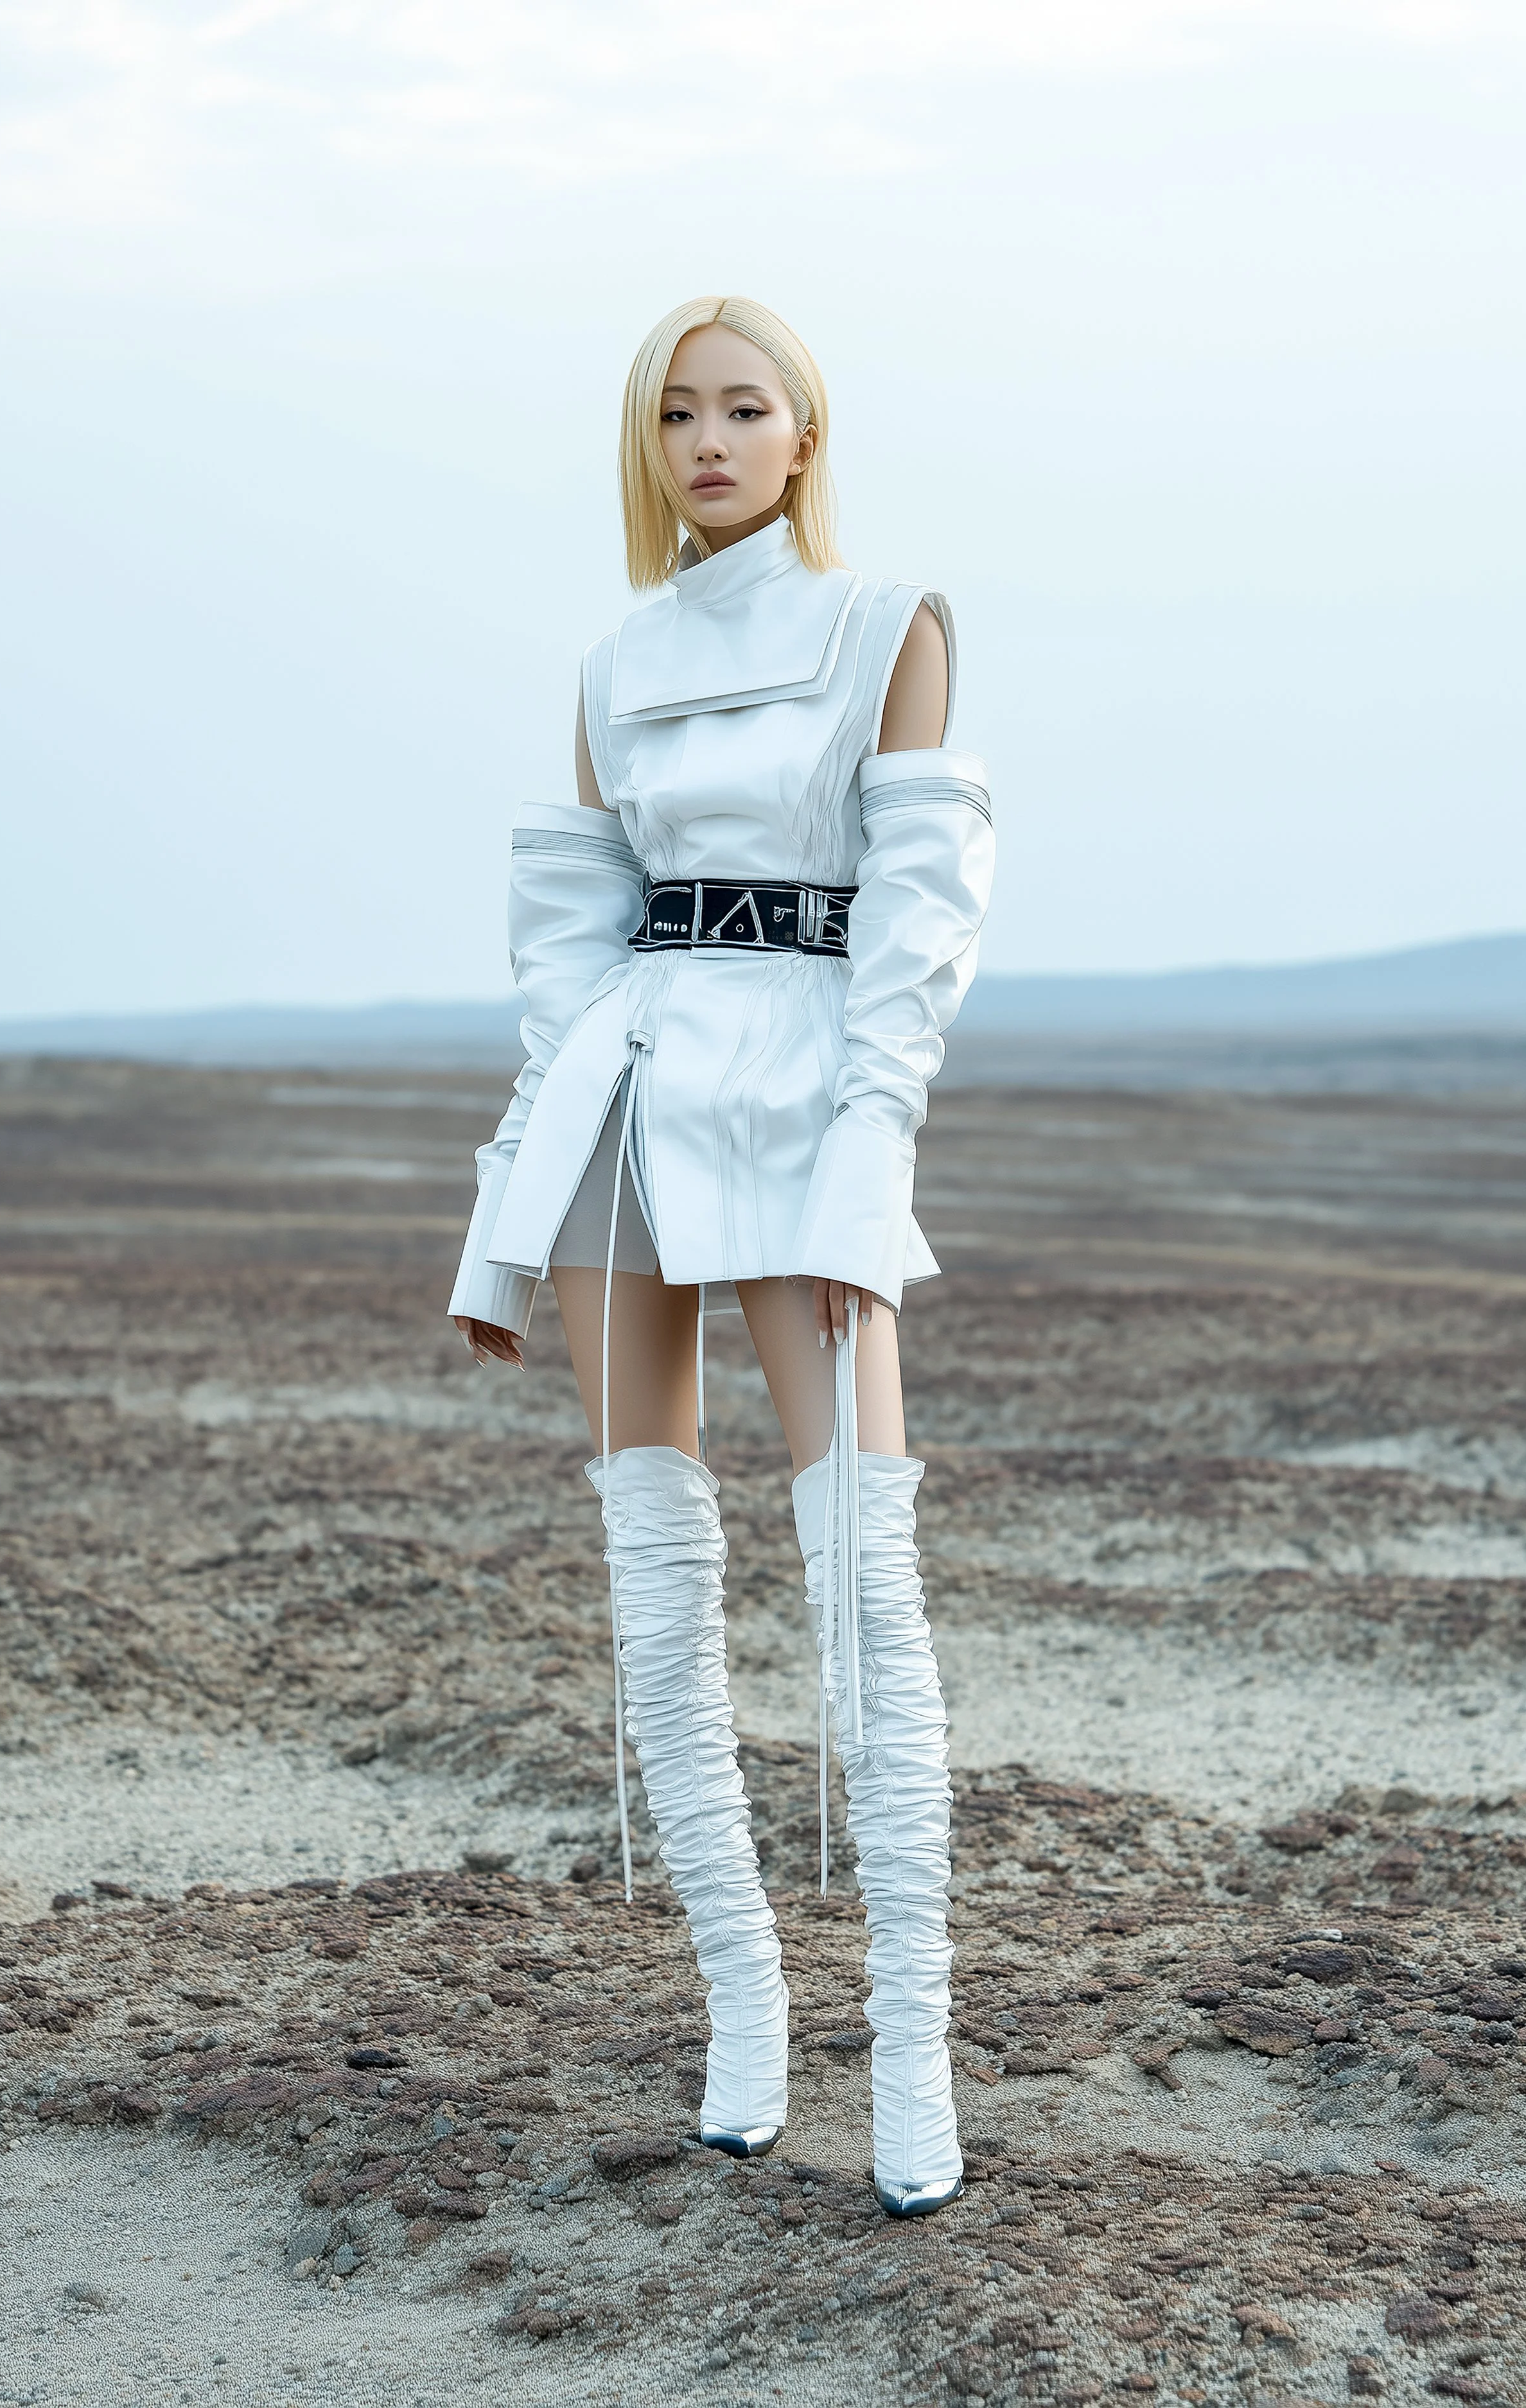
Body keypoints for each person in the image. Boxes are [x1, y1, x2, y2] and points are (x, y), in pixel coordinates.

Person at [448, 295, 994, 2217]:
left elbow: (918, 922)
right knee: (654, 1583)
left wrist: (869, 1147)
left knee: (862, 1565)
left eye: (743, 406)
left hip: (801, 1096)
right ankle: (745, 2015)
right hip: (628, 1102)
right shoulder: (613, 661)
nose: (708, 438)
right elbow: (567, 943)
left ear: (804, 431)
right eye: (674, 410)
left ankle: (913, 2050)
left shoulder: (887, 625)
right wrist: (522, 1184)